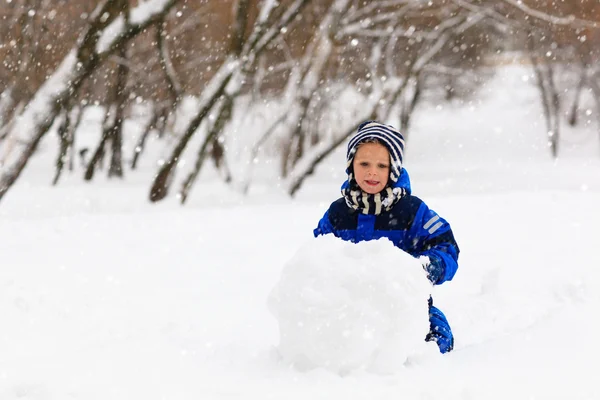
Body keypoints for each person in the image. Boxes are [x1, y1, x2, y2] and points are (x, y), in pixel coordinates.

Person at [313, 121, 459, 354]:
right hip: (347, 306)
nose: (372, 172)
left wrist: (425, 268)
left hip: (404, 304)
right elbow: (317, 253)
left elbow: (445, 244)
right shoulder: (338, 214)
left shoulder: (412, 211)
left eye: (382, 165)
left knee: (433, 345)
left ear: (393, 170)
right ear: (351, 166)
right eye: (364, 163)